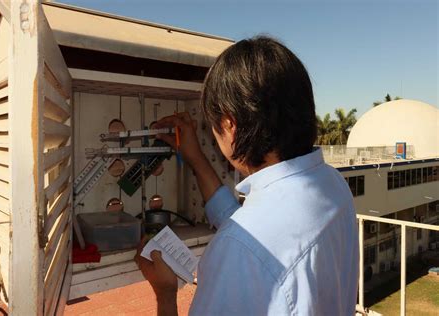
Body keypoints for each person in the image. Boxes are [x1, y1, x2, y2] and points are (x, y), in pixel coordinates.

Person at [134, 36, 359, 316]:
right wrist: (194, 157)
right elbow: (252, 227)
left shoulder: (237, 251)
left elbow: (250, 241)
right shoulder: (333, 184)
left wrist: (166, 294)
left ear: (229, 124)